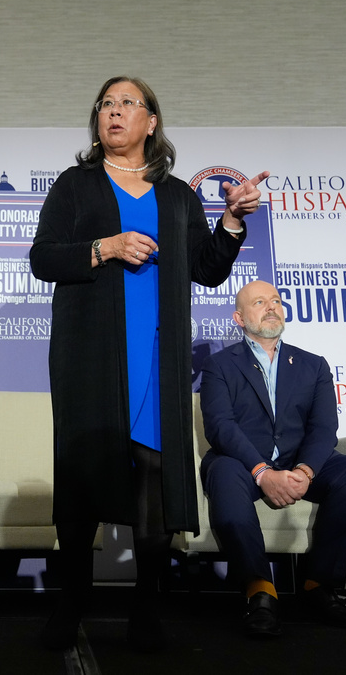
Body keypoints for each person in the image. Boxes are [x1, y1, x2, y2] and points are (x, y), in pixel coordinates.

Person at [29, 75, 269, 652]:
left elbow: (209, 268)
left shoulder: (178, 195)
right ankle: (74, 599)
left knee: (156, 480)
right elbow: (42, 257)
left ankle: (146, 606)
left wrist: (232, 220)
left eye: (126, 104)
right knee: (84, 472)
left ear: (151, 121)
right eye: (105, 105)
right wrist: (104, 247)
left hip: (157, 356)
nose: (113, 113)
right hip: (89, 355)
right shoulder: (75, 185)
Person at [198, 280, 346, 638]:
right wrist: (263, 472)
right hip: (242, 462)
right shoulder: (219, 365)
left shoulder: (313, 365)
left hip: (299, 462)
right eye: (259, 302)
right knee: (224, 475)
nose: (271, 307)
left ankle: (320, 587)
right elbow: (221, 427)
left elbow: (325, 428)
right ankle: (260, 592)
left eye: (276, 301)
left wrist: (306, 471)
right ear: (239, 317)